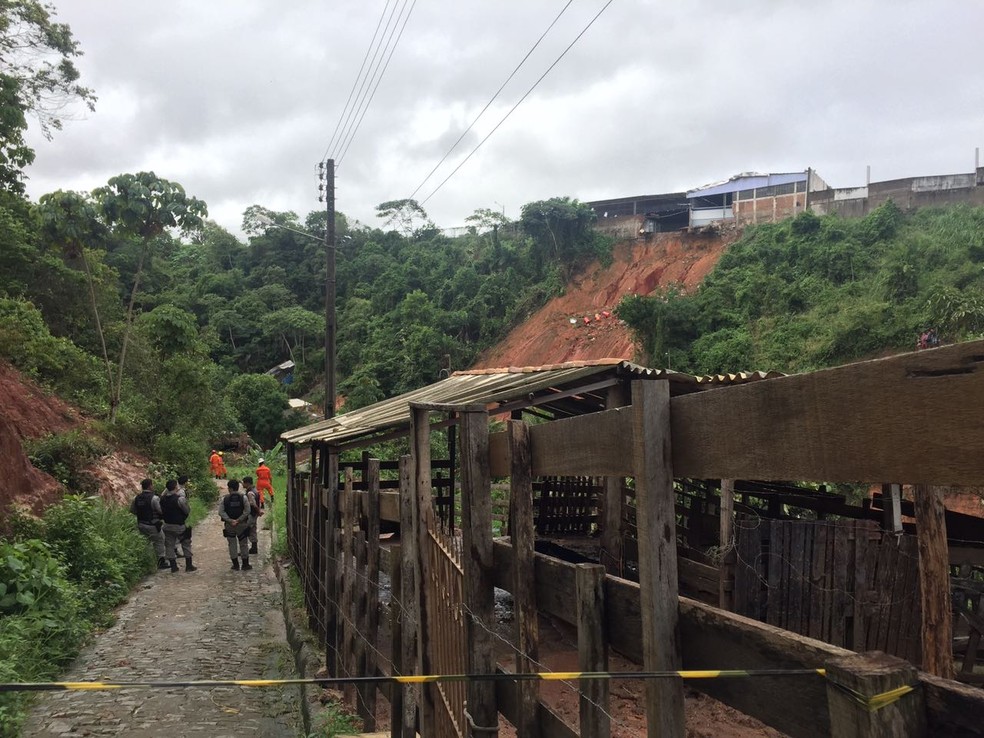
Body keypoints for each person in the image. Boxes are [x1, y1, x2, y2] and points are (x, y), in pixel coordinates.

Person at [160, 479, 196, 573]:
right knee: (186, 543)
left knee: (169, 545)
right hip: (179, 525)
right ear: (176, 487)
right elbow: (187, 510)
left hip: (167, 525)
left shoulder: (162, 499)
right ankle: (189, 565)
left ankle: (173, 566)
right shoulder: (180, 499)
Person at [130, 478, 167, 569]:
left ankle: (147, 562)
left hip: (141, 524)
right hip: (153, 524)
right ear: (150, 486)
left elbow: (132, 510)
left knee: (146, 542)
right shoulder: (154, 498)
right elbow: (160, 511)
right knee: (159, 540)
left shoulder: (136, 498)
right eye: (152, 485)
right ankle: (161, 562)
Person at [219, 479, 252, 570]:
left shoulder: (225, 499)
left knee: (232, 544)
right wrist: (239, 520)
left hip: (229, 526)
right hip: (242, 525)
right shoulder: (243, 497)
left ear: (230, 488)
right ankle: (245, 564)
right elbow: (247, 511)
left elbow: (221, 512)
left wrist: (230, 520)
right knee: (243, 544)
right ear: (237, 487)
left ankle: (235, 565)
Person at [242, 476, 262, 555]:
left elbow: (253, 504)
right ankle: (254, 548)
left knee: (245, 530)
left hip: (251, 514)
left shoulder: (250, 493)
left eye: (243, 482)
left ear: (247, 483)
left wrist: (258, 511)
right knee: (253, 530)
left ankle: (245, 550)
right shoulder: (255, 490)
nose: (242, 484)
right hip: (254, 514)